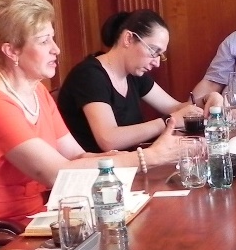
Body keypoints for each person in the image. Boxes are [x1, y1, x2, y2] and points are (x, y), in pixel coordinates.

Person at [0, 0, 181, 227]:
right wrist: (148, 157)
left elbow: (76, 155)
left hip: (36, 217)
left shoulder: (37, 91)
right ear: (11, 51)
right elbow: (57, 173)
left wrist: (126, 157)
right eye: (44, 41)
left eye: (52, 38)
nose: (56, 49)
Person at [57, 9, 220, 153]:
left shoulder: (134, 73)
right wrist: (168, 121)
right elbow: (108, 139)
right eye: (153, 51)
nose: (157, 63)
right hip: (99, 171)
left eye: (160, 55)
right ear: (128, 38)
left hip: (132, 163)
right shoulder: (89, 75)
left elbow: (175, 107)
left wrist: (208, 100)